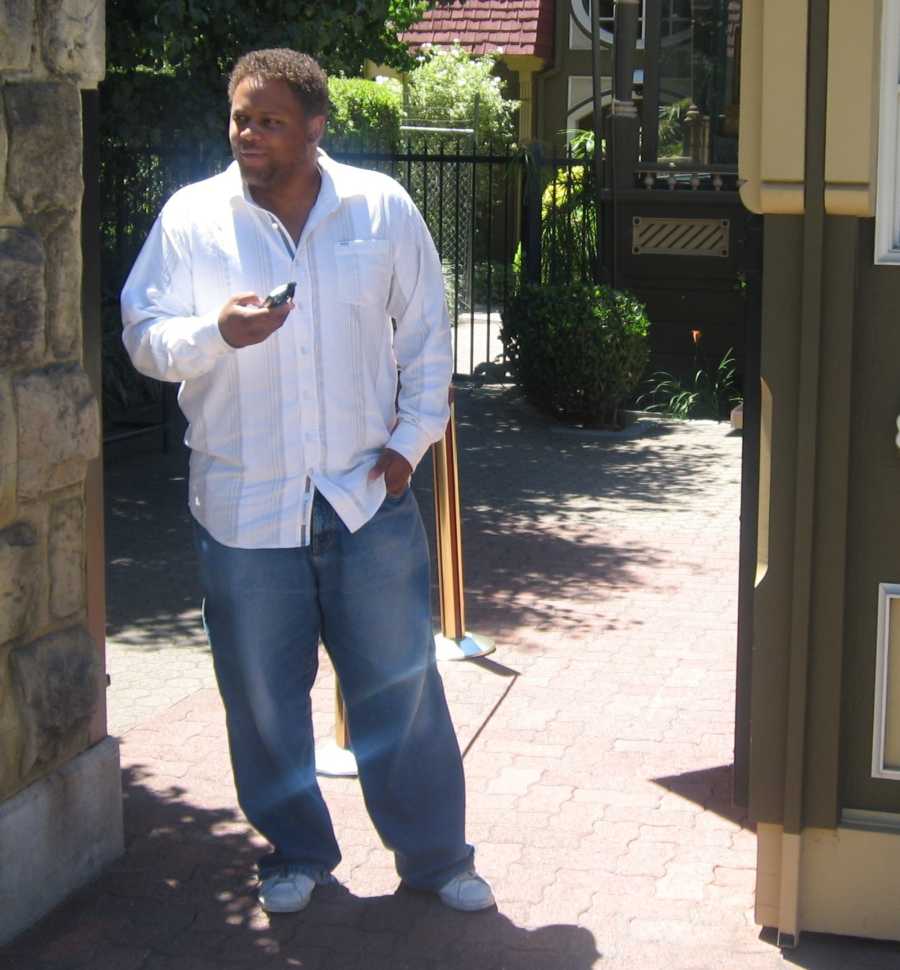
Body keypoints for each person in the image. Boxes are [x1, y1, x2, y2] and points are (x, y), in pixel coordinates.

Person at [120, 48, 493, 915]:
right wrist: (212, 334)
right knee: (261, 703)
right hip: (244, 510)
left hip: (366, 500)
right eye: (241, 118)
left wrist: (408, 446)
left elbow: (429, 336)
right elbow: (142, 333)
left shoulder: (380, 209)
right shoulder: (191, 219)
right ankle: (295, 853)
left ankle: (437, 859)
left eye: (269, 120)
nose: (249, 134)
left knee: (400, 688)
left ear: (316, 126)